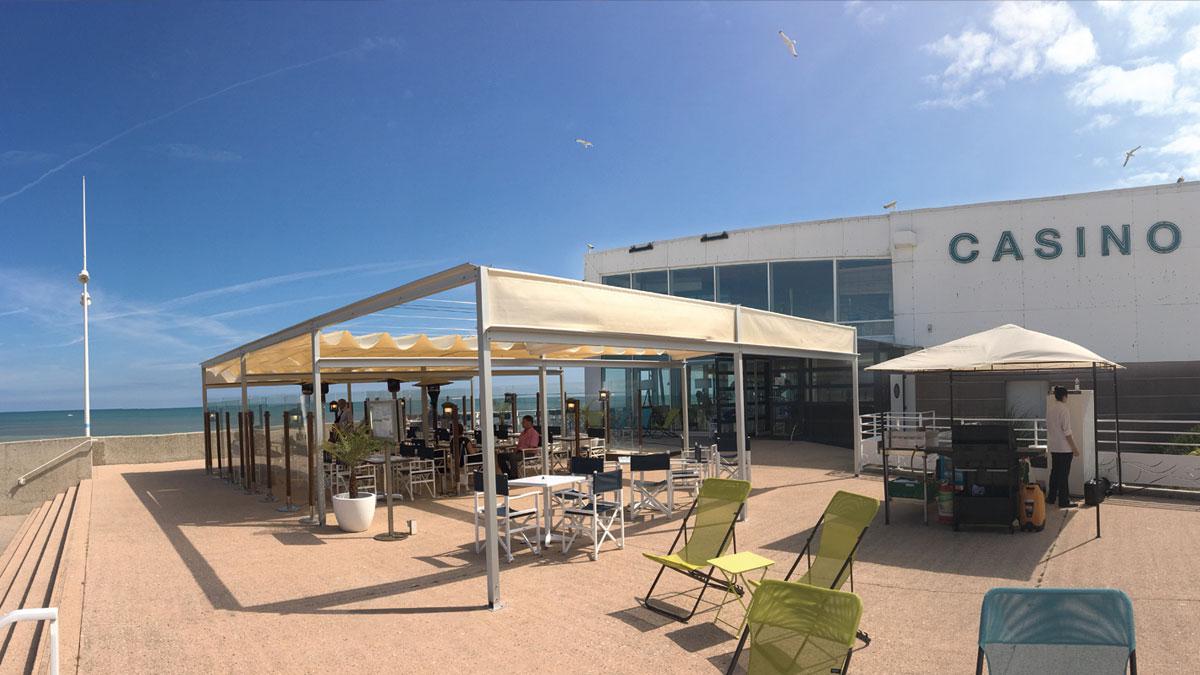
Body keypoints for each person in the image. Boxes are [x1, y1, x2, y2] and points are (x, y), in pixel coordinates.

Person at [1045, 386, 1080, 508]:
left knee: (1054, 473)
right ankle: (1064, 501)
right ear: (1065, 396)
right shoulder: (1064, 410)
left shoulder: (1050, 409)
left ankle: (1051, 497)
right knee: (1063, 475)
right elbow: (1067, 432)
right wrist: (1074, 448)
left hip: (1054, 446)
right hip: (1065, 448)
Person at [498, 415, 540, 479]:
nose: (522, 423)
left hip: (528, 453)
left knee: (512, 457)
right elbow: (519, 445)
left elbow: (533, 448)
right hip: (519, 452)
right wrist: (516, 450)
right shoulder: (522, 433)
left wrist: (522, 450)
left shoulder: (534, 433)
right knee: (500, 456)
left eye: (523, 422)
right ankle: (508, 474)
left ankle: (514, 476)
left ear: (529, 422)